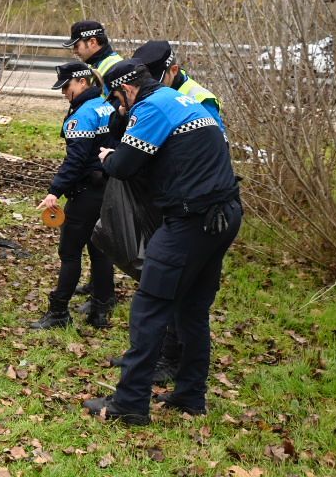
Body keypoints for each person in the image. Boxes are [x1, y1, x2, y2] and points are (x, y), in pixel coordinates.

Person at [82, 59, 242, 425]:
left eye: (118, 99)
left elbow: (124, 165)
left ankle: (130, 404)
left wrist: (108, 156)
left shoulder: (150, 107)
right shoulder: (179, 99)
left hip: (192, 220)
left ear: (127, 88)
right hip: (224, 215)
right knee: (192, 309)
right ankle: (190, 395)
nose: (120, 107)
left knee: (149, 308)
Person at [30, 62, 116, 329]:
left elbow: (75, 160)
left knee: (69, 252)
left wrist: (55, 191)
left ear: (81, 82)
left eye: (66, 86)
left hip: (87, 192)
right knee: (100, 249)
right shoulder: (106, 105)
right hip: (109, 190)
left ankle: (58, 313)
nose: (63, 92)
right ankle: (100, 311)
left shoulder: (84, 114)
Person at [132, 39, 225, 138]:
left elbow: (219, 142)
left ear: (174, 70)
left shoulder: (201, 99)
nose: (149, 87)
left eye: (155, 81)